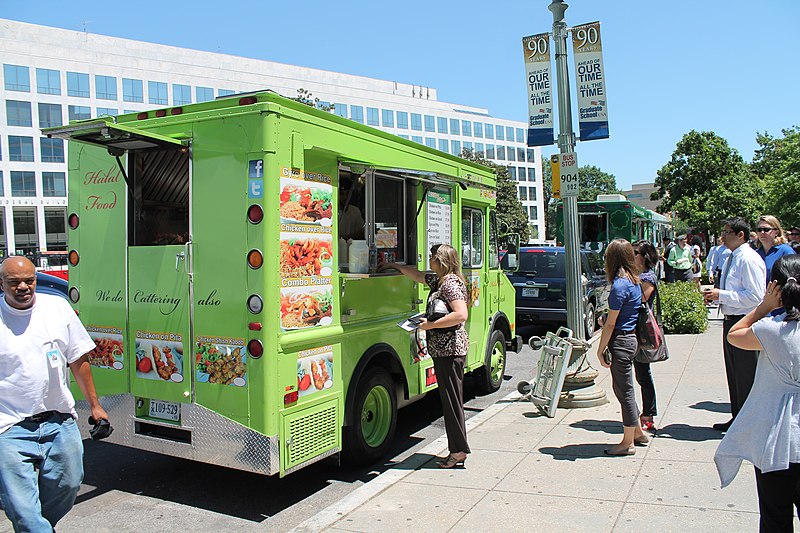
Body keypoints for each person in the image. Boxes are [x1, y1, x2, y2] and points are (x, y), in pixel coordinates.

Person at [0, 256, 109, 531]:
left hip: (59, 419)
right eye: (14, 282)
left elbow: (78, 360)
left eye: (29, 280)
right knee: (23, 509)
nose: (23, 287)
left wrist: (95, 405)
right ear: (2, 284)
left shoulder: (57, 308)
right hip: (8, 426)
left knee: (70, 483)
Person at [714, 255, 800, 532]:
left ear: (775, 287)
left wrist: (763, 307)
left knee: (775, 516)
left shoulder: (771, 331)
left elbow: (735, 334)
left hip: (776, 440)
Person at [380, 244, 470, 468]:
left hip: (451, 350)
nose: (429, 260)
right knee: (450, 400)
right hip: (444, 350)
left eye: (432, 257)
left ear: (441, 261)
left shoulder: (449, 284)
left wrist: (430, 325)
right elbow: (418, 276)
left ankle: (458, 451)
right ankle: (457, 448)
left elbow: (461, 314)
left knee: (452, 402)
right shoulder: (439, 280)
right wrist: (394, 265)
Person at [703, 217, 766, 432]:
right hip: (731, 320)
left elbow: (756, 297)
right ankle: (738, 418)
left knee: (746, 374)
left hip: (744, 321)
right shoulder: (732, 257)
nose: (723, 236)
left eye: (728, 232)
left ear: (741, 235)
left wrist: (722, 295)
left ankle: (749, 424)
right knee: (735, 373)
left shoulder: (747, 259)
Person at [595, 239, 647, 456]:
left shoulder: (619, 284)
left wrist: (600, 349)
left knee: (624, 390)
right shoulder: (634, 281)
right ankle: (637, 432)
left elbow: (612, 324)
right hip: (630, 339)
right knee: (623, 388)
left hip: (621, 341)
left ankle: (627, 443)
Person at [632, 240, 660, 433]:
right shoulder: (634, 275)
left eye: (635, 252)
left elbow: (641, 298)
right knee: (638, 373)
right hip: (631, 328)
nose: (631, 255)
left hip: (641, 330)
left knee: (643, 373)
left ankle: (648, 414)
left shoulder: (648, 277)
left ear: (644, 256)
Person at [754, 215, 796, 283]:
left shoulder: (786, 251)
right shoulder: (755, 253)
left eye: (766, 230)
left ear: (776, 232)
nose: (762, 232)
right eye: (759, 230)